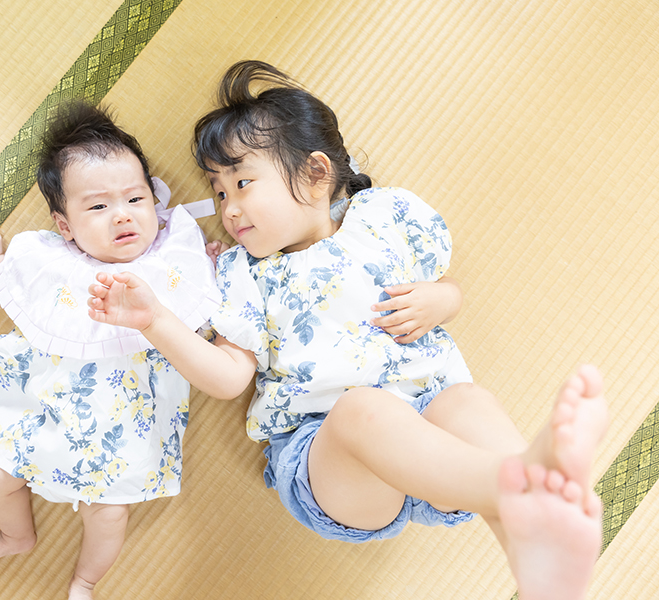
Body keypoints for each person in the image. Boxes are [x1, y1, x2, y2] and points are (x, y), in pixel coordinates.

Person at [87, 61, 607, 599]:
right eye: (219, 193)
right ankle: (521, 483)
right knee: (364, 409)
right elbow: (226, 379)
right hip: (328, 458)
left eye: (242, 182)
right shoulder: (246, 275)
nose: (230, 208)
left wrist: (441, 300)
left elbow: (447, 285)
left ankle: (533, 553)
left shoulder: (381, 220)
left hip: (435, 433)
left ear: (316, 173)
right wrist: (156, 322)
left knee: (468, 400)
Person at [0, 101, 220, 599]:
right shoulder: (53, 260)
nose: (121, 216)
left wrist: (210, 266)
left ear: (154, 201)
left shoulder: (175, 256)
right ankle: (17, 534)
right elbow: (19, 292)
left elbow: (202, 318)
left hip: (124, 424)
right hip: (49, 406)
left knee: (110, 513)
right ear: (65, 226)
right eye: (98, 207)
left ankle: (85, 579)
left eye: (135, 199)